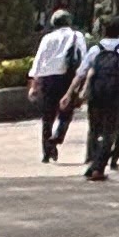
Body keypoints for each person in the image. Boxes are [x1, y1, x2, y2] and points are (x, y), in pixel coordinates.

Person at [78, 16, 119, 181]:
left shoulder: (95, 48)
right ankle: (98, 167)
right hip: (115, 95)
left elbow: (82, 71)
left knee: (94, 129)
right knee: (110, 132)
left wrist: (73, 92)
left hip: (95, 95)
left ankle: (92, 161)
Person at [28, 11, 91, 162]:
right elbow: (83, 57)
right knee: (66, 112)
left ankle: (46, 152)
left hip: (48, 79)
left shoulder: (47, 38)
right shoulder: (77, 36)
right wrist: (82, 79)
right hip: (67, 77)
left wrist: (34, 84)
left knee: (47, 116)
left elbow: (39, 61)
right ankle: (56, 137)